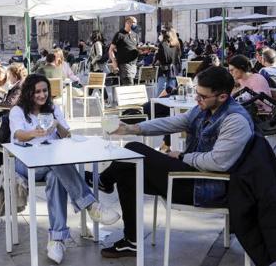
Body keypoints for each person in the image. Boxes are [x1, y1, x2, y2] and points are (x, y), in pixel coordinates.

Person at [89, 67, 254, 259]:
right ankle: (131, 242)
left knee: (135, 149)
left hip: (207, 187)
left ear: (223, 96)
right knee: (129, 172)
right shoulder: (206, 108)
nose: (196, 99)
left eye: (202, 96)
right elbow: (173, 122)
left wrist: (183, 157)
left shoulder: (235, 120)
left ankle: (103, 181)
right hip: (191, 175)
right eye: (197, 93)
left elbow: (218, 162)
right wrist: (132, 128)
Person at [9, 74, 120, 263]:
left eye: (45, 90)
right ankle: (91, 204)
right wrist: (34, 133)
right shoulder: (18, 111)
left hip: (52, 163)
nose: (42, 95)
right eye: (37, 91)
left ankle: (57, 239)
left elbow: (67, 135)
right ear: (29, 93)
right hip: (25, 163)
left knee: (55, 175)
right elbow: (18, 134)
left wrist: (57, 124)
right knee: (56, 162)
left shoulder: (53, 109)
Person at [110, 16, 140, 86]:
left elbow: (136, 48)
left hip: (134, 65)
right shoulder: (119, 35)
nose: (135, 25)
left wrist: (142, 51)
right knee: (129, 84)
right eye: (134, 23)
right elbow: (111, 50)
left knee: (130, 86)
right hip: (124, 65)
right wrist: (114, 63)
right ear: (127, 23)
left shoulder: (135, 35)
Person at [154, 29, 181, 96]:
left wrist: (155, 61)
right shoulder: (177, 44)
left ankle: (158, 105)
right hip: (173, 69)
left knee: (161, 90)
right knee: (170, 90)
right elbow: (178, 56)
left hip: (164, 69)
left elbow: (161, 57)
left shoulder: (162, 44)